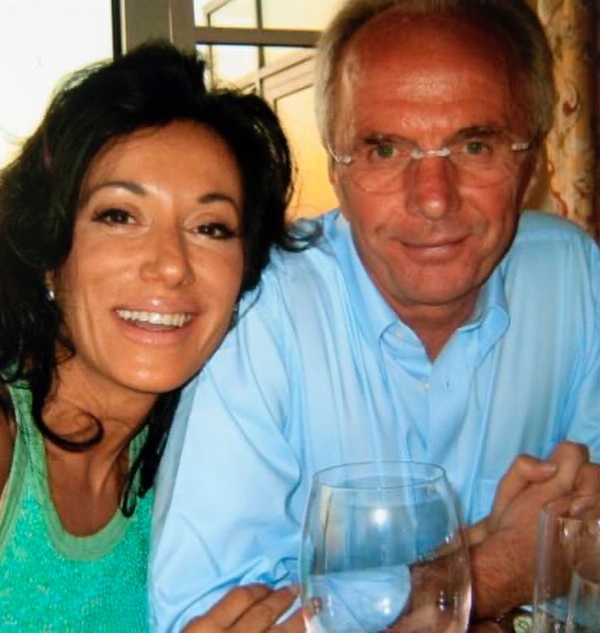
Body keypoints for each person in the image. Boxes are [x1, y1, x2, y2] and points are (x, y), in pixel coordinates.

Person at [150, 0, 600, 630]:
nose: (435, 199)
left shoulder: (575, 276)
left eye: (475, 144)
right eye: (386, 150)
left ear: (529, 162)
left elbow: (587, 550)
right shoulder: (260, 309)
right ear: (336, 169)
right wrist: (495, 569)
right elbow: (207, 620)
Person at [0, 41, 310, 631]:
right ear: (50, 252)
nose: (171, 265)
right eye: (119, 217)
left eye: (210, 227)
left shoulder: (206, 451)